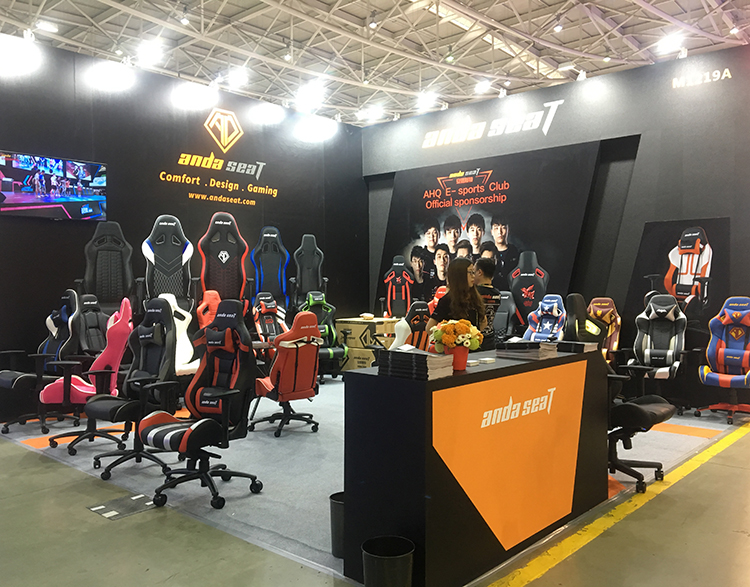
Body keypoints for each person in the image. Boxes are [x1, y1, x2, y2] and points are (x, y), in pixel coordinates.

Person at [426, 257, 486, 333]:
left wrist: (474, 334)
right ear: (460, 275)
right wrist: (448, 335)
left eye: (473, 272)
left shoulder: (475, 296)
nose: (473, 276)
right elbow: (429, 328)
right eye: (470, 272)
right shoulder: (447, 300)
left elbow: (483, 321)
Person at [474, 257, 502, 350]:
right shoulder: (497, 294)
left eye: (473, 272)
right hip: (490, 339)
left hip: (474, 340)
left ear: (479, 272)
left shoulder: (475, 293)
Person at [490, 213, 520, 290]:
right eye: (496, 228)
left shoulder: (516, 253)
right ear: (492, 232)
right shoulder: (488, 253)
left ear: (508, 230)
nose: (500, 232)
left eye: (503, 228)